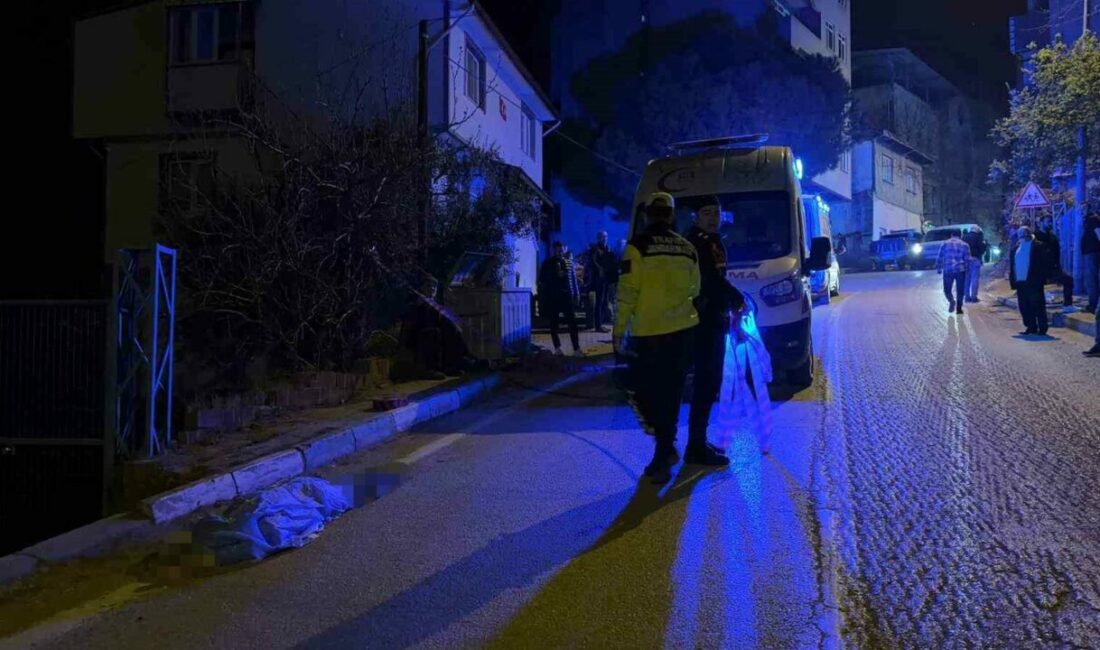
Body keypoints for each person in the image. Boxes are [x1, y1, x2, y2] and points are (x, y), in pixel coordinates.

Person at [614, 192, 700, 484]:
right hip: (682, 333)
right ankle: (665, 449)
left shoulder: (636, 247)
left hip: (648, 334)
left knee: (645, 393)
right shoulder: (687, 249)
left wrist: (617, 333)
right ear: (671, 216)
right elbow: (695, 290)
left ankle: (663, 453)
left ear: (648, 214)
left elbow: (627, 294)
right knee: (671, 393)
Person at [684, 196, 745, 467]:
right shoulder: (695, 242)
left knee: (710, 384)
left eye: (716, 213)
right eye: (707, 213)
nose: (713, 217)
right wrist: (735, 296)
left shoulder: (713, 240)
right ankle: (695, 448)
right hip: (703, 321)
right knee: (705, 383)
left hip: (715, 318)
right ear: (696, 216)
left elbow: (718, 277)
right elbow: (708, 280)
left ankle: (697, 442)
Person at [538, 241, 581, 356]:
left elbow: (573, 279)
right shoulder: (547, 263)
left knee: (572, 323)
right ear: (553, 250)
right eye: (557, 250)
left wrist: (576, 294)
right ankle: (557, 348)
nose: (560, 252)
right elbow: (542, 279)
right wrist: (555, 275)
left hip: (567, 297)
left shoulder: (569, 262)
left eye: (561, 250)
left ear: (564, 249)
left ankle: (576, 349)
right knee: (554, 323)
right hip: (554, 297)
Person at [1010, 226, 1051, 336]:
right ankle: (1031, 326)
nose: (1022, 237)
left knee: (1037, 305)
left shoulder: (1037, 246)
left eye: (1024, 234)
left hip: (1033, 281)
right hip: (1020, 281)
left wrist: (1042, 278)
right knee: (1024, 306)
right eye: (1020, 235)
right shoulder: (1016, 248)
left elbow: (1043, 264)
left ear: (1029, 234)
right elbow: (1013, 265)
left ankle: (1042, 327)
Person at [1034, 215, 1075, 310]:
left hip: (1052, 269)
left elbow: (1057, 254)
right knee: (1037, 289)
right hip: (1038, 270)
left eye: (1050, 221)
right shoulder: (1035, 237)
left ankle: (1068, 305)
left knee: (1068, 280)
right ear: (1041, 223)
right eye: (1047, 221)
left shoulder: (1053, 237)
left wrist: (1059, 269)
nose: (1050, 224)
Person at [584, 230, 618, 333]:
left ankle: (601, 324)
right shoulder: (596, 249)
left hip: (606, 279)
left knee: (604, 302)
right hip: (599, 279)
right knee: (599, 302)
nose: (604, 239)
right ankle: (598, 325)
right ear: (599, 238)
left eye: (606, 237)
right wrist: (600, 269)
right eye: (602, 237)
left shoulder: (608, 248)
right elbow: (593, 261)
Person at [936, 229, 970, 314]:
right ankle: (959, 308)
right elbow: (967, 260)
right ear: (960, 235)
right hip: (960, 270)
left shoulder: (945, 244)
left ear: (951, 235)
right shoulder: (965, 245)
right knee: (960, 290)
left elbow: (939, 257)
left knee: (947, 290)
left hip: (948, 270)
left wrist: (939, 268)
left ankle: (951, 301)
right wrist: (968, 270)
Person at [1083, 208, 1100, 314]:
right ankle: (1093, 304)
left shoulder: (1093, 219)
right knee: (1092, 279)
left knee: (1092, 280)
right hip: (1092, 252)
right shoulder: (1091, 219)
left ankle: (1093, 305)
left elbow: (1098, 232)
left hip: (1093, 252)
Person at [962, 230, 987, 303]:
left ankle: (967, 297)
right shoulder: (978, 237)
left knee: (967, 279)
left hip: (966, 260)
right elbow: (982, 249)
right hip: (975, 259)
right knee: (974, 278)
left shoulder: (964, 237)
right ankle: (974, 297)